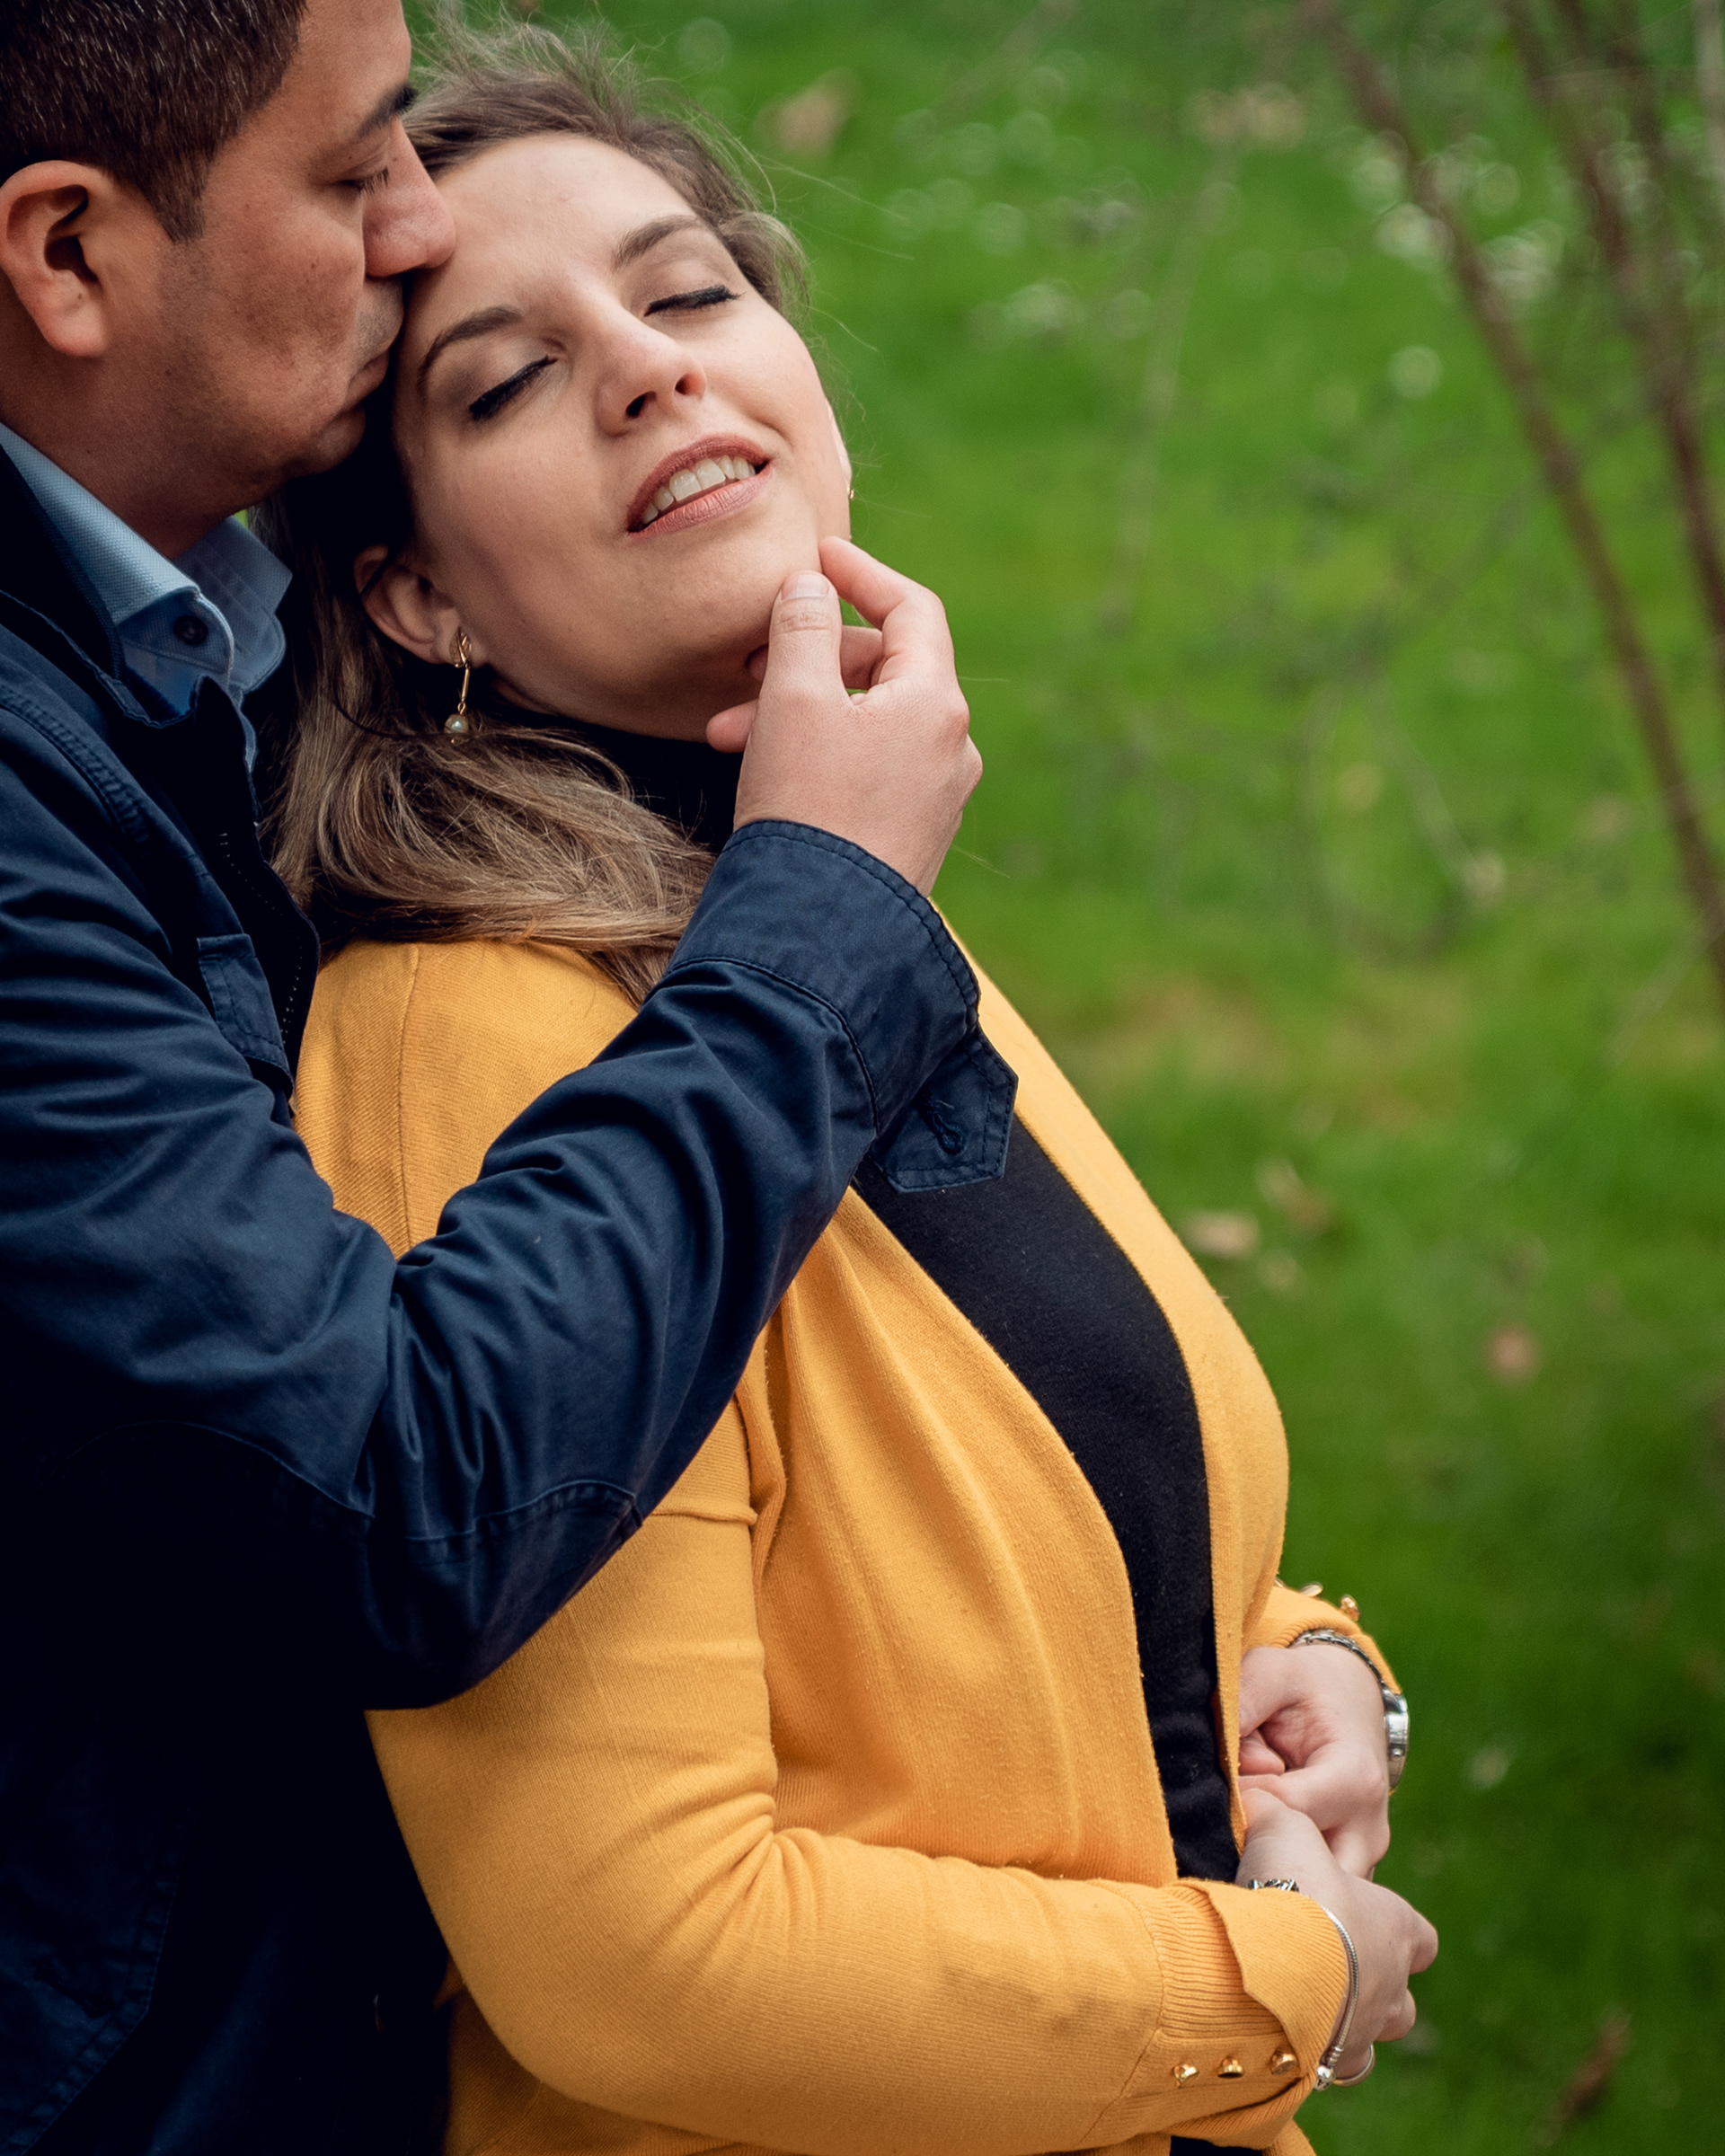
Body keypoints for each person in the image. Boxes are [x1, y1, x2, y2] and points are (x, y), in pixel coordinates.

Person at [270, 32, 1438, 2156]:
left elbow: (1003, 1501)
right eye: (505, 379)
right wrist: (1272, 1979)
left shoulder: (822, 885)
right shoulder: (471, 1040)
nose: (647, 369)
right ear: (414, 593)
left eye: (689, 287)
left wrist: (1311, 1672)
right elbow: (641, 1946)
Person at [0, 0, 996, 2146]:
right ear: (65, 259)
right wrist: (822, 910)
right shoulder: (540, 979)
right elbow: (398, 1497)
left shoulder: (200, 663)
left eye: (689, 286)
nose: (417, 215)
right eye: (358, 173)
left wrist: (1285, 1656)